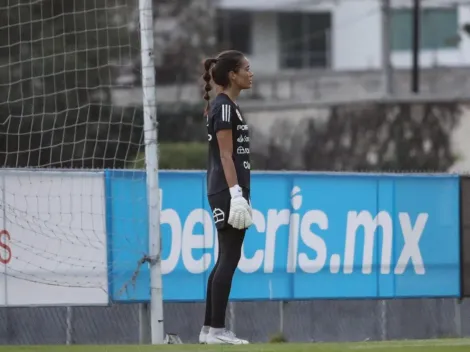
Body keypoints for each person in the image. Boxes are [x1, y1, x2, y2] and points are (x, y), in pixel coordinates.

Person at [198, 50, 254, 345]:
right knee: (229, 258)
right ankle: (218, 330)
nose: (251, 73)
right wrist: (236, 195)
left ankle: (209, 329)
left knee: (224, 258)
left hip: (227, 190)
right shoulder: (224, 108)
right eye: (247, 68)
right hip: (226, 190)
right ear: (233, 74)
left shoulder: (229, 106)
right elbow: (225, 155)